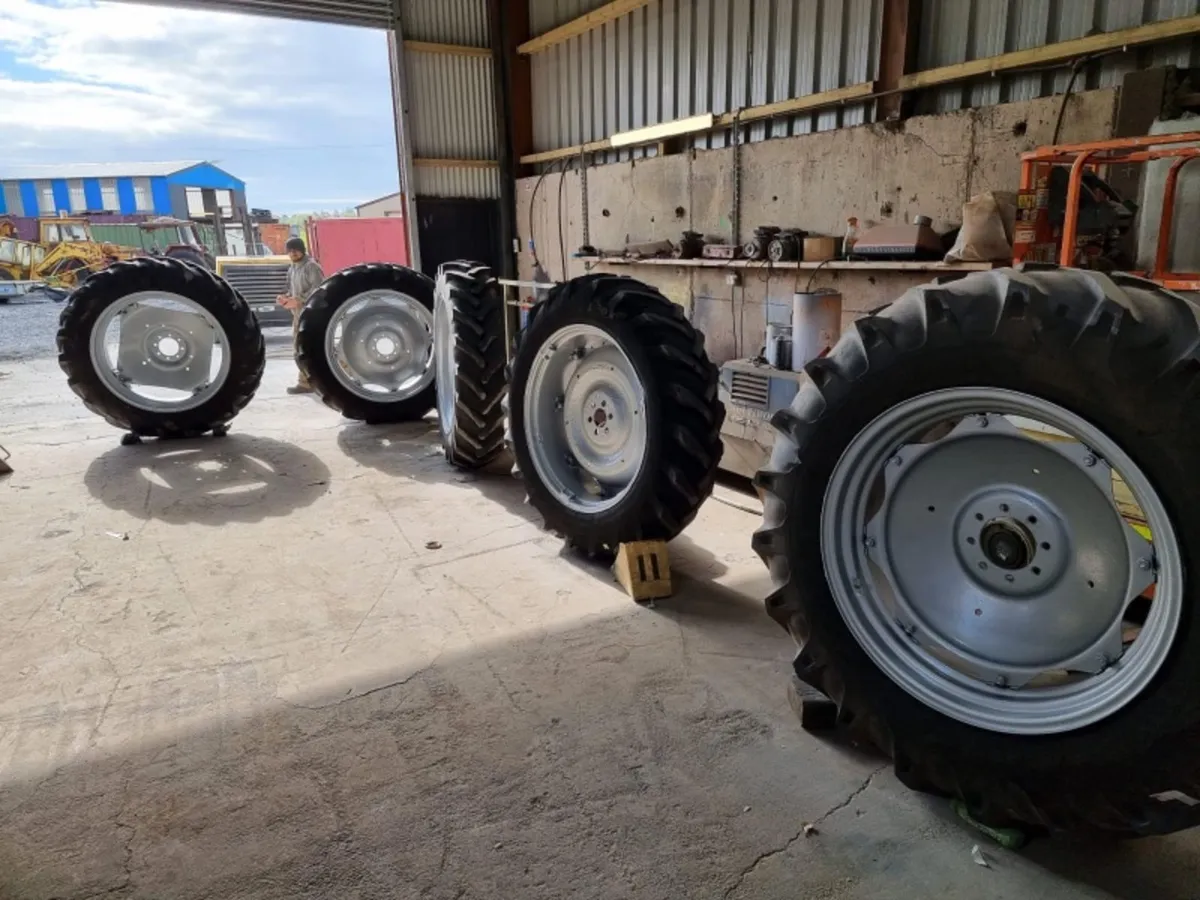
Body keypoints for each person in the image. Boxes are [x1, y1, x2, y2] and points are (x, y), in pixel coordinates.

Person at [276, 237, 325, 395]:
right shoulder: (292, 268)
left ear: (302, 250)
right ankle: (305, 382)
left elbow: (318, 290)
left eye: (295, 250)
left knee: (315, 348)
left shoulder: (311, 267)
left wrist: (299, 300)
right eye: (289, 251)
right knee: (300, 349)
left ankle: (341, 375)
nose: (292, 253)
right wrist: (286, 298)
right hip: (298, 316)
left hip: (313, 315)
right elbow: (293, 290)